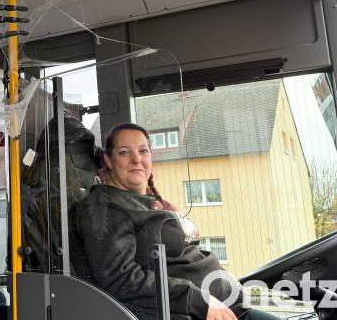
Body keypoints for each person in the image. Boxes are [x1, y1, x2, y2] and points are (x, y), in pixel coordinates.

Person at [75, 123, 278, 320]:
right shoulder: (104, 206)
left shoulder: (146, 201)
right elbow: (119, 278)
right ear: (109, 160)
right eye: (124, 152)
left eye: (143, 151)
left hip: (229, 305)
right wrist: (196, 299)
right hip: (200, 311)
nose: (137, 159)